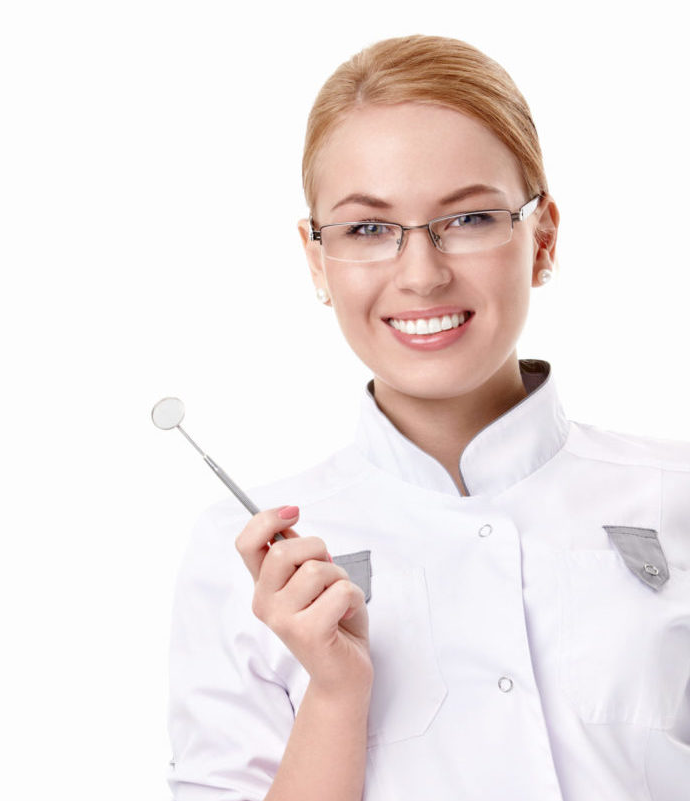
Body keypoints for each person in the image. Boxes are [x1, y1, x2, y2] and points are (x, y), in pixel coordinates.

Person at [166, 35, 690, 801]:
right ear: (317, 261)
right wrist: (337, 694)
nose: (422, 274)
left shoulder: (675, 497)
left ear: (542, 237)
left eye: (471, 217)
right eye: (368, 229)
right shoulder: (242, 558)